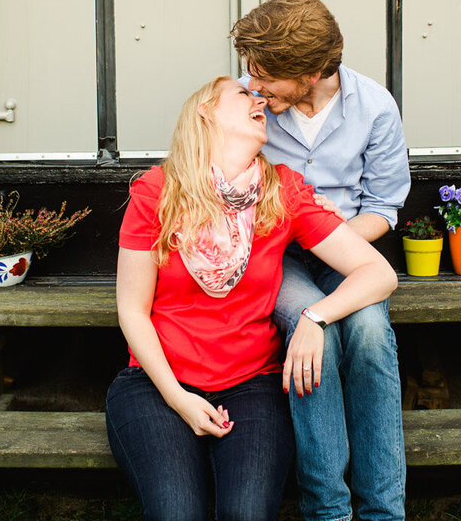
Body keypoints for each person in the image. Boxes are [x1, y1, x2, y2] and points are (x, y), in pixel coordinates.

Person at [105, 76, 399, 521]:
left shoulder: (284, 192)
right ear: (205, 110)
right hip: (157, 383)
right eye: (243, 93)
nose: (258, 98)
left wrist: (314, 317)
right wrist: (178, 398)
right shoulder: (156, 192)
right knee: (176, 514)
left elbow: (379, 273)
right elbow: (132, 309)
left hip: (251, 385)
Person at [231, 0, 410, 521]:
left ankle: (383, 513)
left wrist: (331, 236)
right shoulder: (245, 105)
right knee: (320, 342)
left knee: (374, 335)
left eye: (266, 77)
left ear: (310, 73)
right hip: (273, 255)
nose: (254, 85)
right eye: (251, 72)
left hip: (347, 248)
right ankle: (328, 510)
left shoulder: (375, 107)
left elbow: (383, 206)